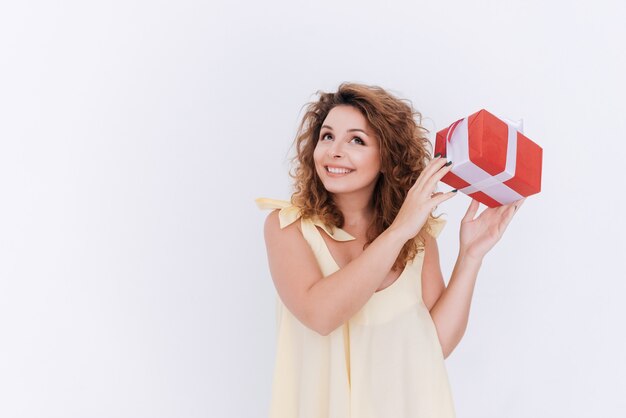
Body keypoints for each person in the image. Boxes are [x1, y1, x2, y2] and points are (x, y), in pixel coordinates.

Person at [255, 82, 524, 418]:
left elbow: (434, 344)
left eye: (357, 140)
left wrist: (470, 256)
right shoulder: (288, 226)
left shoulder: (417, 239)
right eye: (327, 136)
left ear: (386, 158)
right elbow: (321, 316)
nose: (335, 151)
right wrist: (399, 231)